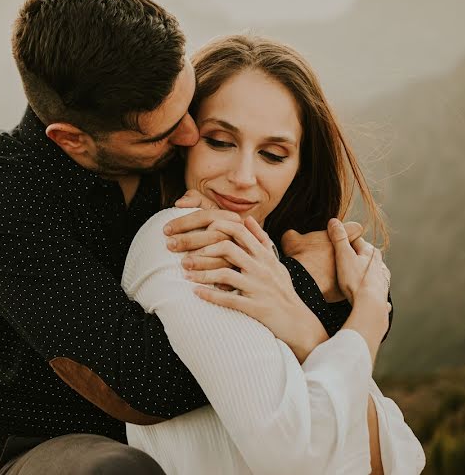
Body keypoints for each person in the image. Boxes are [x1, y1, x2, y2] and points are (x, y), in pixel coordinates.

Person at [0, 0, 372, 475]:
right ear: (73, 140)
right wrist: (299, 284)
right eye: (165, 131)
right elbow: (146, 385)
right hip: (50, 448)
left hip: (203, 436)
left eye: (188, 104)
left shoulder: (188, 145)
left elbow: (351, 283)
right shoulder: (4, 203)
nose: (191, 132)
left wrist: (333, 285)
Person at [121, 35, 425, 474]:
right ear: (182, 138)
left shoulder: (267, 265)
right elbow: (295, 456)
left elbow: (392, 464)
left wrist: (308, 332)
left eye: (272, 154)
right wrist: (368, 319)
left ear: (301, 165)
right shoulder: (182, 240)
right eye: (220, 142)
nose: (243, 177)